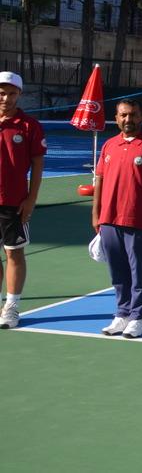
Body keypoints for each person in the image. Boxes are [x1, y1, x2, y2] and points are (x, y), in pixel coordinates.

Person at [91, 99, 142, 339]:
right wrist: (96, 213)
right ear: (116, 118)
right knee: (117, 269)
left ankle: (139, 317)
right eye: (123, 115)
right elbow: (100, 180)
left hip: (138, 218)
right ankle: (122, 313)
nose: (128, 119)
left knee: (139, 270)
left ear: (141, 116)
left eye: (133, 115)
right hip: (108, 219)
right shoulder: (109, 145)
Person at [0, 72, 44, 330]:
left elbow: (38, 165)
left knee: (14, 253)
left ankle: (11, 306)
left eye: (11, 93)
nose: (6, 98)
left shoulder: (29, 126)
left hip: (14, 203)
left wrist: (31, 199)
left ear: (19, 95)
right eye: (2, 93)